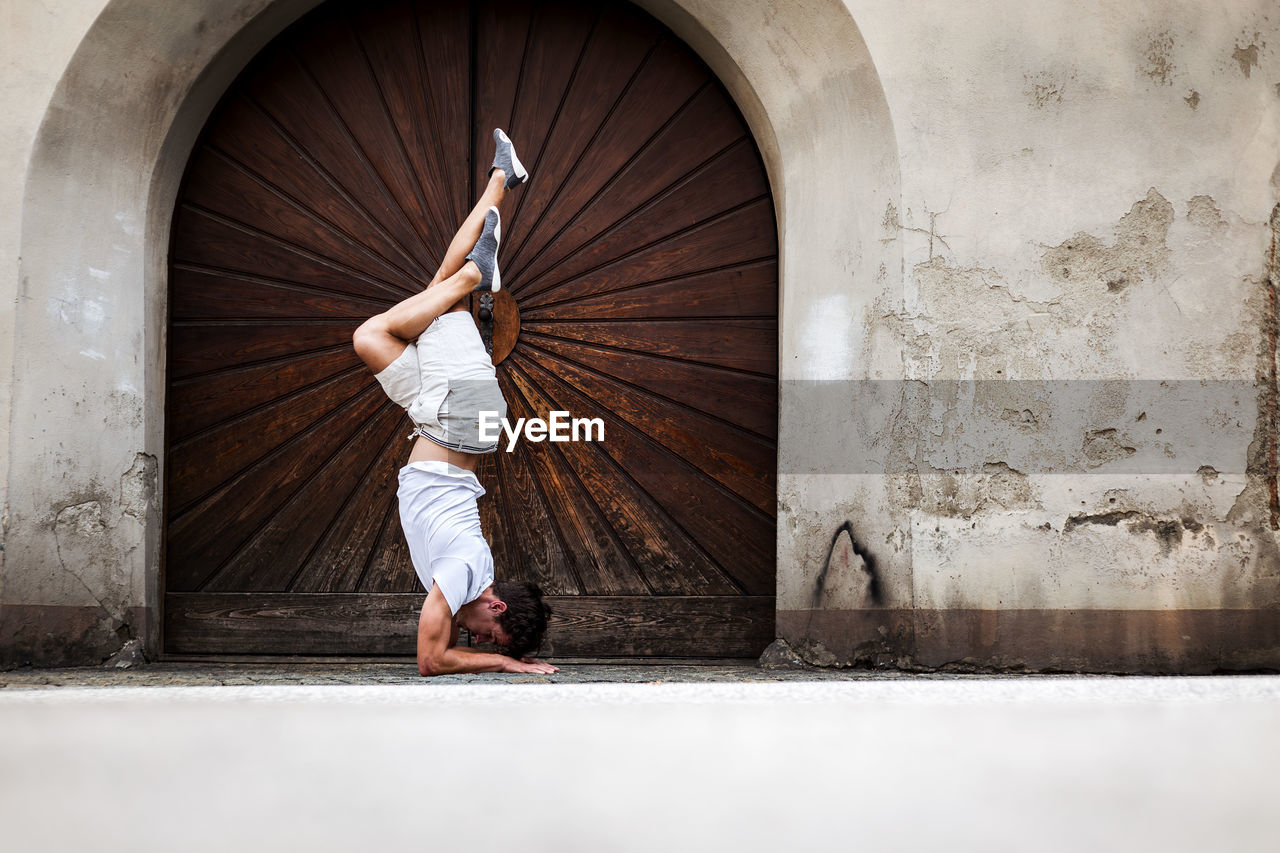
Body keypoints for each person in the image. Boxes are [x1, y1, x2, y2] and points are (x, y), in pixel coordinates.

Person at [352, 129, 557, 676]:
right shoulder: (467, 571)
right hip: (454, 420)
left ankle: (500, 183)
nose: (475, 636)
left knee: (389, 328)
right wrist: (503, 665)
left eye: (485, 642)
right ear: (497, 606)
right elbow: (430, 659)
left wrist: (505, 655)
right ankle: (478, 269)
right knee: (420, 304)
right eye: (488, 634)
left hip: (444, 416)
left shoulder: (472, 571)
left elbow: (441, 649)